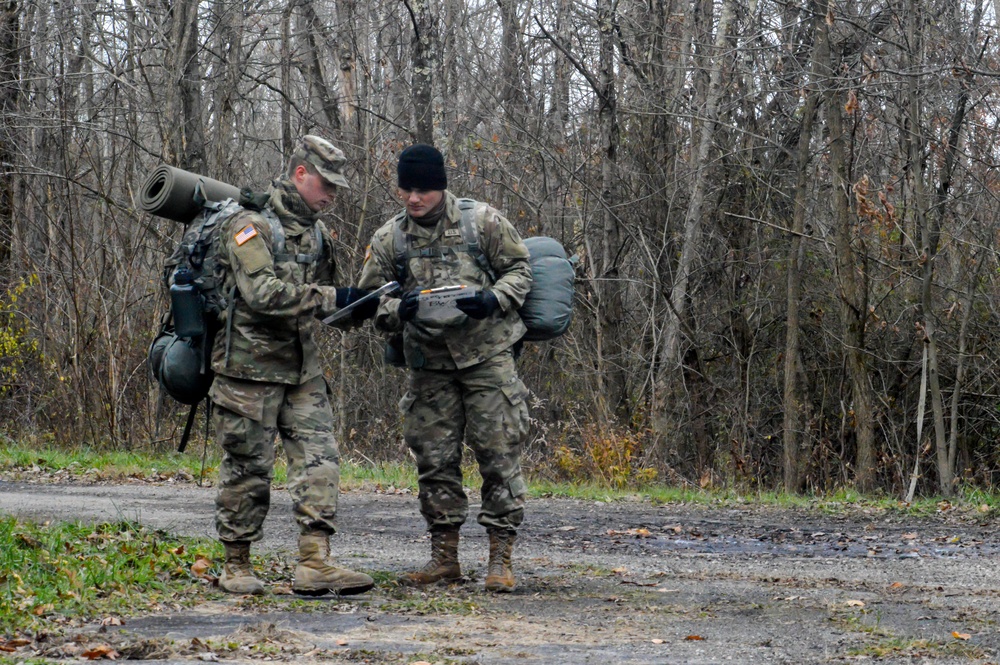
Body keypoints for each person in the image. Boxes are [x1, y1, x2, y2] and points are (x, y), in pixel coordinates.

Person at [358, 143, 532, 592]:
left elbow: (520, 271)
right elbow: (369, 302)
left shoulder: (483, 222)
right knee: (434, 460)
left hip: (487, 356)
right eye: (406, 188)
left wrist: (493, 298)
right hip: (429, 365)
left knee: (499, 453)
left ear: (441, 187)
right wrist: (401, 309)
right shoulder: (389, 238)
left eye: (423, 189)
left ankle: (500, 559)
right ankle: (444, 558)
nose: (413, 198)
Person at [209, 135, 379, 596]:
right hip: (249, 370)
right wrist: (331, 297)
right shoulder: (250, 225)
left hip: (303, 369)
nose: (332, 195)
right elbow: (262, 294)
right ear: (300, 173)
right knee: (248, 468)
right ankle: (237, 564)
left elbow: (321, 301)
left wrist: (361, 307)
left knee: (320, 463)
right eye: (326, 184)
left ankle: (314, 562)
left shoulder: (318, 234)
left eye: (338, 188)